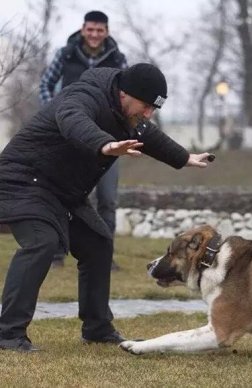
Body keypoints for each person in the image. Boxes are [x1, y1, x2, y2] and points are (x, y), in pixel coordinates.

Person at [0, 62, 213, 352]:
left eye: (154, 109)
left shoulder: (126, 113)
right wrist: (104, 144)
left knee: (98, 243)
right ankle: (9, 334)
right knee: (42, 242)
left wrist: (183, 158)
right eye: (146, 106)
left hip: (63, 191)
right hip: (24, 181)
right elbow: (72, 118)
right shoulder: (85, 95)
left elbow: (148, 135)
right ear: (125, 93)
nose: (148, 114)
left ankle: (97, 328)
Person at [39, 10, 127, 270]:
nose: (94, 34)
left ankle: (105, 255)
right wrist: (55, 113)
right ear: (82, 29)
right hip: (70, 137)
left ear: (106, 32)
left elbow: (125, 96)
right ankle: (56, 253)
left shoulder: (118, 59)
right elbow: (45, 85)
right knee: (62, 195)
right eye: (90, 29)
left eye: (100, 30)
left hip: (107, 138)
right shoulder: (65, 54)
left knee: (108, 200)